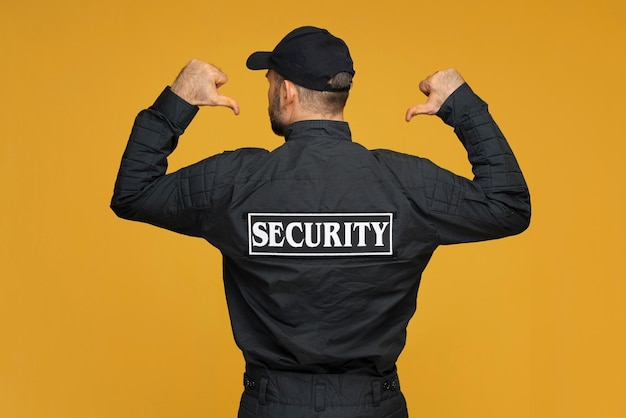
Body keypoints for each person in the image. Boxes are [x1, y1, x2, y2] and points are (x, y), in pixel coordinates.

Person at [111, 26, 530, 418]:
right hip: (373, 406)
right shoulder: (406, 183)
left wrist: (179, 99)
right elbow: (508, 204)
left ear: (288, 92)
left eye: (271, 83)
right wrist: (463, 105)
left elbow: (133, 193)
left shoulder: (235, 180)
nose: (271, 93)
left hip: (271, 406)